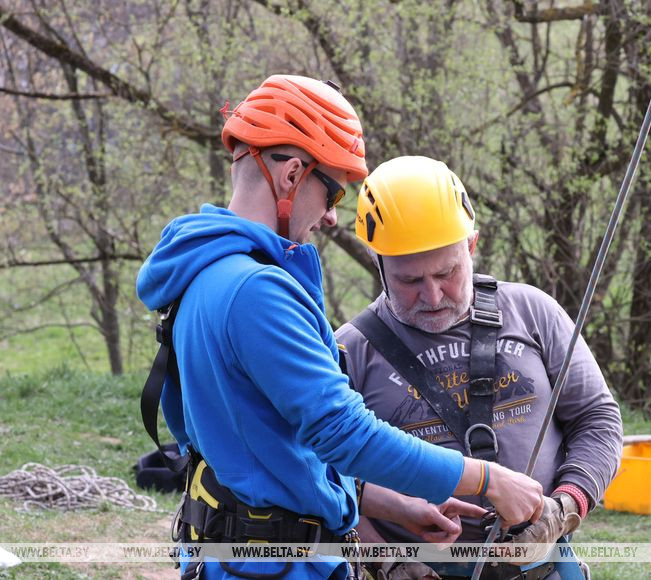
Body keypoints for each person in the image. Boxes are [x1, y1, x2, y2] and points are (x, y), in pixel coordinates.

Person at [136, 76, 545, 580]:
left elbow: (272, 450)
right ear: (291, 176)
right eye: (331, 192)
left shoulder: (205, 271)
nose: (331, 217)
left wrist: (398, 505)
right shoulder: (256, 292)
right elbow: (343, 433)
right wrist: (484, 479)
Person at [335, 156, 624, 580]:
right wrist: (386, 559)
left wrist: (565, 507)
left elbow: (597, 418)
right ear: (376, 260)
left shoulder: (532, 312)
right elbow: (325, 475)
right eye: (409, 281)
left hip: (541, 566)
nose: (432, 295)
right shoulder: (349, 350)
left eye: (447, 272)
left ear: (471, 245)